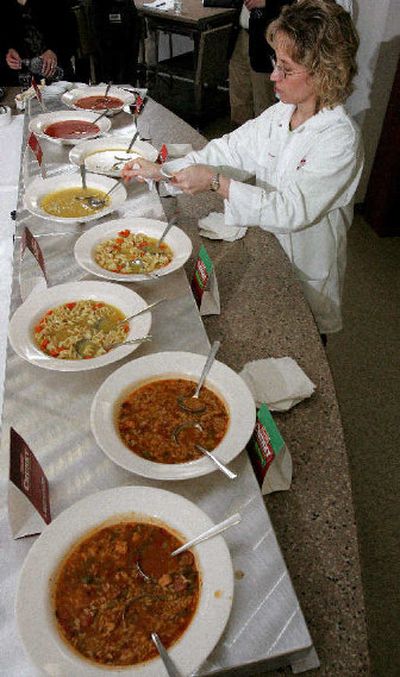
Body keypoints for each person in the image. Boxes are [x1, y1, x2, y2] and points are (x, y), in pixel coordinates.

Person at [122, 0, 364, 336]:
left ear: (324, 72)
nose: (274, 76)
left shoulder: (339, 138)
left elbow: (291, 210)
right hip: (271, 252)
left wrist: (216, 183)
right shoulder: (282, 113)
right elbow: (228, 150)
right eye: (275, 63)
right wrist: (162, 171)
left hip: (308, 269)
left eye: (287, 69)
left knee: (303, 340)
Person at [229, 0, 293, 126]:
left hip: (265, 42)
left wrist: (267, 2)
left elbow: (295, 3)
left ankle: (265, 141)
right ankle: (239, 142)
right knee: (239, 100)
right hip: (240, 35)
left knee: (263, 102)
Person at [1, 0, 77, 85]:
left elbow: (71, 33)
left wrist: (54, 50)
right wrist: (8, 52)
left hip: (58, 76)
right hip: (22, 83)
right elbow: (5, 39)